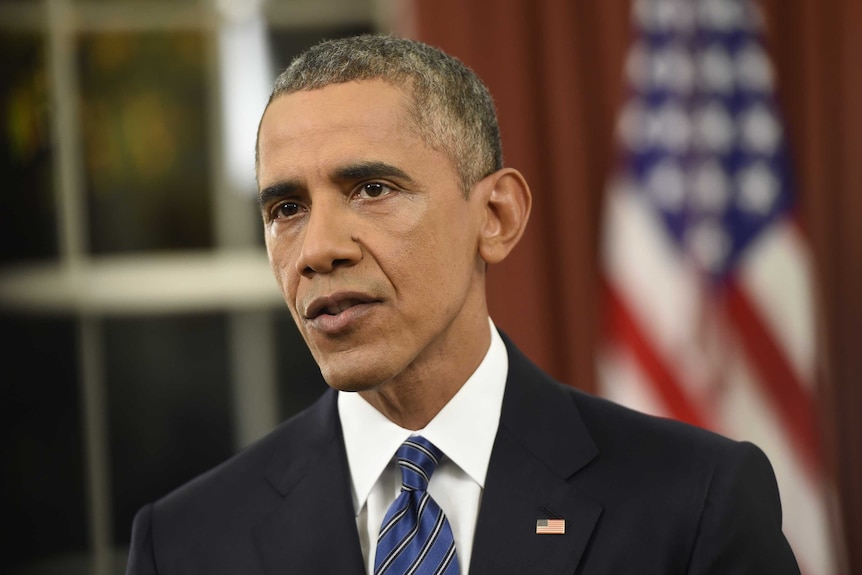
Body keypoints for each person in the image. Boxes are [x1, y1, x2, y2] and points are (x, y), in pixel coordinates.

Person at [125, 34, 800, 574]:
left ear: (497, 216)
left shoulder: (695, 501)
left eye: (370, 188)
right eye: (286, 208)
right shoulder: (183, 544)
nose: (317, 248)